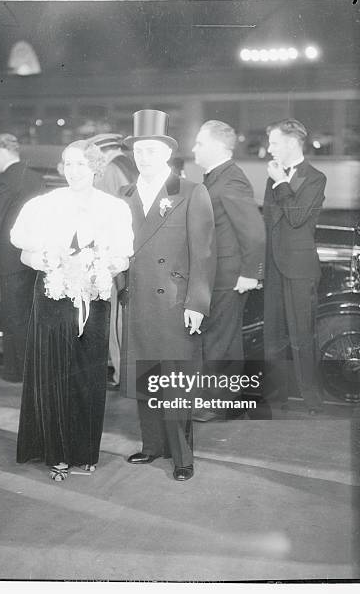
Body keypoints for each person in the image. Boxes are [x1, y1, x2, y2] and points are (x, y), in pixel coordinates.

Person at [10, 140, 133, 481]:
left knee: (88, 373)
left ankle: (84, 451)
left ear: (96, 168)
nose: (73, 171)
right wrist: (47, 261)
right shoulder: (46, 204)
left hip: (93, 298)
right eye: (68, 164)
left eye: (81, 164)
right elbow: (24, 252)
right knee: (55, 372)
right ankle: (57, 452)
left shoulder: (113, 208)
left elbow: (123, 257)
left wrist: (101, 268)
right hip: (52, 297)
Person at [120, 109, 216, 482]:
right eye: (139, 151)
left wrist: (197, 303)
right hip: (138, 299)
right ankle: (152, 445)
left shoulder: (191, 191)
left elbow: (203, 253)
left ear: (166, 153)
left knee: (175, 382)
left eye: (151, 151)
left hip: (174, 303)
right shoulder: (124, 194)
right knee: (145, 375)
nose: (144, 158)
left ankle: (182, 456)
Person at [192, 120, 266, 421]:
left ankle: (219, 403)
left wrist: (251, 273)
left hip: (228, 276)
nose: (194, 148)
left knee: (221, 340)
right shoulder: (214, 178)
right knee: (217, 338)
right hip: (216, 274)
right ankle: (220, 399)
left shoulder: (231, 180)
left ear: (218, 147)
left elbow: (254, 232)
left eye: (199, 143)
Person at [262, 119, 326, 415]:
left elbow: (297, 217)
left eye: (274, 143)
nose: (269, 149)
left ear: (290, 143)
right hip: (274, 266)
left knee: (302, 336)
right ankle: (277, 397)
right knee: (272, 336)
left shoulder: (315, 178)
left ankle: (312, 400)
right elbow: (269, 222)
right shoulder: (274, 176)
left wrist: (281, 182)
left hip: (300, 268)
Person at [0, 134, 44, 382]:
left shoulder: (4, 181)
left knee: (12, 314)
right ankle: (31, 366)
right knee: (29, 313)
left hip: (9, 259)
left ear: (2, 151)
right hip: (32, 257)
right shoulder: (36, 178)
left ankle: (14, 371)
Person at [89, 133, 138, 387]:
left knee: (115, 316)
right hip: (137, 249)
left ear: (103, 152)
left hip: (115, 254)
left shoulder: (109, 171)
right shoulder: (132, 164)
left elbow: (102, 217)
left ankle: (122, 374)